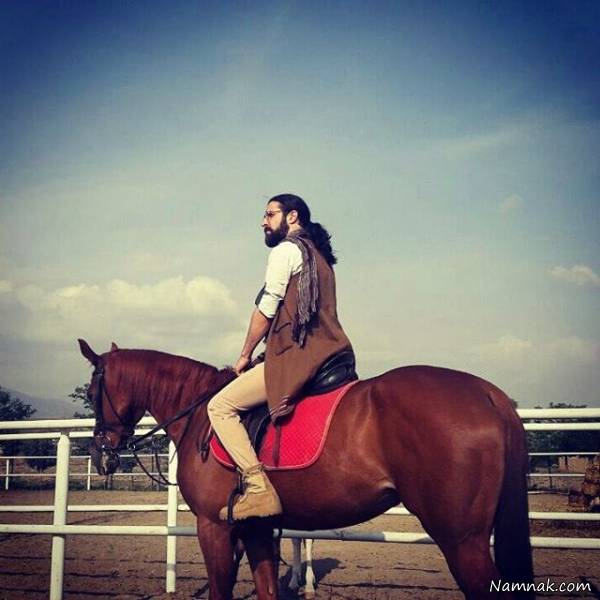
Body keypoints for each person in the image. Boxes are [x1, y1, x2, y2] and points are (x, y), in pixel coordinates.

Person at [207, 193, 353, 521]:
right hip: (334, 352)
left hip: (299, 357)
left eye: (270, 214)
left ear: (292, 216)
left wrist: (244, 355)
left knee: (219, 407)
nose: (263, 221)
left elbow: (267, 308)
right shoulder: (319, 256)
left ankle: (258, 488)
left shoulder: (286, 250)